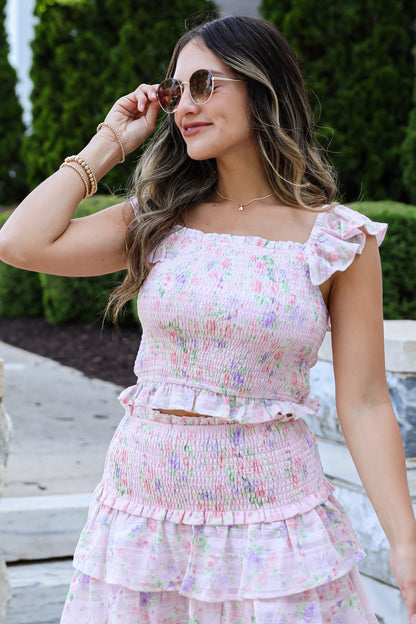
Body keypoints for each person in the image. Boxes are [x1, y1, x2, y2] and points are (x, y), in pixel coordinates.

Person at [1, 14, 416, 624]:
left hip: (274, 522)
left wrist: (405, 543)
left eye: (204, 85)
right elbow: (20, 243)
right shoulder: (157, 218)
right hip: (144, 515)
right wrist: (109, 142)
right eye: (175, 92)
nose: (185, 107)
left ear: (262, 87)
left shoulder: (338, 241)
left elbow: (365, 402)